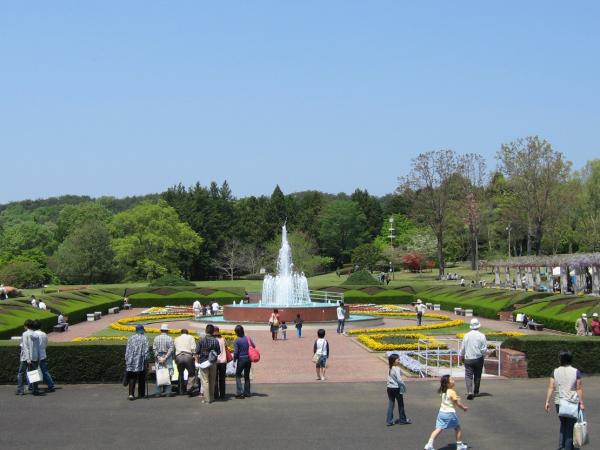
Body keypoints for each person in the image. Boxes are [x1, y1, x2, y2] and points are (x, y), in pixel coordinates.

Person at [544, 350, 585, 450]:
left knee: (563, 425)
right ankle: (567, 448)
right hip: (572, 403)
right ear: (570, 359)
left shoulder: (555, 371)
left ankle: (561, 447)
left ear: (561, 359)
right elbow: (578, 389)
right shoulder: (576, 372)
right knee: (570, 428)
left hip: (559, 403)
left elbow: (551, 387)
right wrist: (582, 403)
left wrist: (547, 401)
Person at [423, 375, 469, 450]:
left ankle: (429, 444)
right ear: (447, 383)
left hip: (441, 413)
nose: (453, 380)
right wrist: (464, 408)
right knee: (457, 428)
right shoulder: (452, 392)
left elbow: (449, 400)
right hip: (449, 413)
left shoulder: (443, 391)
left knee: (439, 428)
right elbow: (457, 404)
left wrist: (456, 399)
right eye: (451, 379)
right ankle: (459, 445)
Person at [459, 318, 488, 400]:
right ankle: (476, 391)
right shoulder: (482, 335)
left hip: (468, 358)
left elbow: (463, 348)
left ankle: (469, 391)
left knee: (468, 375)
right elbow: (483, 349)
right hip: (478, 358)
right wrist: (485, 354)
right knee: (478, 375)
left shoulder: (466, 335)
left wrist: (461, 355)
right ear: (478, 325)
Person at [195, 324, 221, 404]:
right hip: (212, 362)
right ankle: (212, 397)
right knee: (212, 380)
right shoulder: (215, 340)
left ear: (206, 331)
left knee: (205, 381)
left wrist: (197, 361)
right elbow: (218, 352)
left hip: (203, 362)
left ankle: (207, 399)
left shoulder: (201, 340)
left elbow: (196, 352)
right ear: (213, 331)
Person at [125, 324, 150, 400]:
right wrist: (147, 360)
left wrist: (126, 360)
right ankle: (141, 394)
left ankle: (131, 394)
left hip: (131, 360)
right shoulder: (144, 338)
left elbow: (127, 349)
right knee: (141, 377)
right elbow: (146, 350)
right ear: (142, 330)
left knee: (132, 377)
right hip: (140, 360)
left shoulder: (131, 338)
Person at [16, 319, 41, 396]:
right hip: (35, 357)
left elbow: (25, 347)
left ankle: (20, 390)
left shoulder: (25, 334)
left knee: (21, 373)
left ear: (26, 326)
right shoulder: (36, 335)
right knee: (34, 374)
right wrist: (38, 357)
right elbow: (38, 347)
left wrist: (27, 359)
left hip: (25, 358)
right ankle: (35, 390)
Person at [386, 354, 411, 426]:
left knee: (391, 403)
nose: (399, 361)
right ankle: (402, 420)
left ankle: (389, 420)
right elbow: (399, 380)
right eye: (398, 359)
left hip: (389, 388)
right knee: (400, 404)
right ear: (394, 361)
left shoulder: (389, 368)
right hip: (396, 388)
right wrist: (403, 386)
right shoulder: (397, 368)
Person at [32, 320, 55, 393]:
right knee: (44, 371)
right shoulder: (44, 334)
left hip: (35, 355)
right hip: (42, 354)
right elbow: (45, 344)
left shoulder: (33, 334)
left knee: (33, 371)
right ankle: (51, 385)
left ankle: (33, 387)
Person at [153, 324, 175, 397]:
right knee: (168, 374)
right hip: (167, 358)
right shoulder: (170, 338)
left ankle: (158, 392)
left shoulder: (156, 338)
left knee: (159, 374)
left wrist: (159, 358)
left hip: (158, 358)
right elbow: (171, 349)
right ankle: (168, 391)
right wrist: (165, 358)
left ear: (161, 330)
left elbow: (154, 349)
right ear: (167, 331)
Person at [233, 324, 255, 398]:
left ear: (237, 332)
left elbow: (236, 352)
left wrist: (234, 360)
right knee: (247, 376)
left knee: (238, 375)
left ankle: (240, 392)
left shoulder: (237, 340)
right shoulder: (248, 338)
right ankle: (247, 392)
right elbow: (253, 346)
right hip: (248, 359)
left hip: (241, 359)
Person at [174, 329, 196, 395]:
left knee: (180, 373)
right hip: (188, 356)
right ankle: (189, 388)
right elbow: (193, 348)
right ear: (187, 333)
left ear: (181, 333)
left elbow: (174, 348)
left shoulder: (176, 338)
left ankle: (181, 390)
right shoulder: (191, 337)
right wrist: (194, 356)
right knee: (191, 373)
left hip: (179, 356)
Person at [213, 326, 227, 400]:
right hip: (223, 361)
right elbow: (226, 348)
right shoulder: (223, 339)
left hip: (215, 361)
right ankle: (222, 394)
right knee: (222, 379)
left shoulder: (213, 340)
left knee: (215, 379)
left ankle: (216, 394)